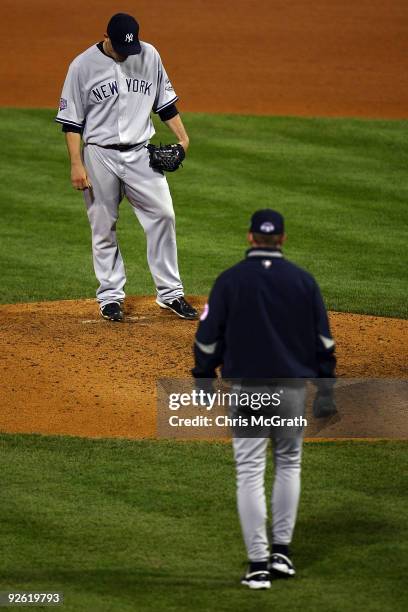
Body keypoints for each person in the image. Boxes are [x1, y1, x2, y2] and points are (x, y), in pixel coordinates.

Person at [192, 209, 336, 589]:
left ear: (250, 237)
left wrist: (204, 378)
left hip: (247, 389)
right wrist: (326, 389)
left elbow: (207, 339)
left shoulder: (230, 281)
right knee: (289, 464)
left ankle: (258, 564)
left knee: (250, 473)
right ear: (283, 239)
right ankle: (282, 555)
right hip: (291, 389)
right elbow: (325, 343)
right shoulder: (303, 281)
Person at [56, 13, 198, 322]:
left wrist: (183, 139)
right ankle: (110, 297)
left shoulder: (149, 55)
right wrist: (76, 163)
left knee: (163, 214)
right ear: (105, 36)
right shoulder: (81, 66)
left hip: (140, 154)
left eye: (129, 47)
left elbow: (165, 104)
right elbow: (71, 122)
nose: (125, 53)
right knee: (103, 225)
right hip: (99, 156)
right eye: (119, 46)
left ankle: (170, 293)